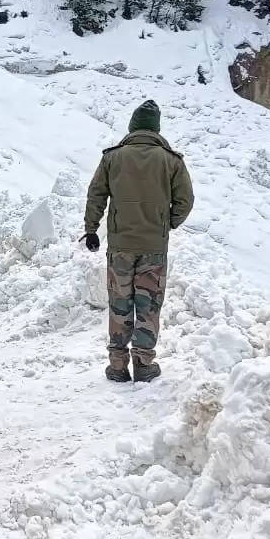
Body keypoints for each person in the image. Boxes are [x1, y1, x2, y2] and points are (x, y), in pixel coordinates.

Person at [82, 100, 193, 384]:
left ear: (132, 127)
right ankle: (144, 365)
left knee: (120, 302)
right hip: (154, 248)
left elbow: (96, 195)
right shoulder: (172, 161)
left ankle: (117, 366)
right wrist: (167, 223)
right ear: (156, 129)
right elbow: (185, 201)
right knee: (148, 304)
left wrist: (92, 228)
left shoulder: (112, 158)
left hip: (120, 246)